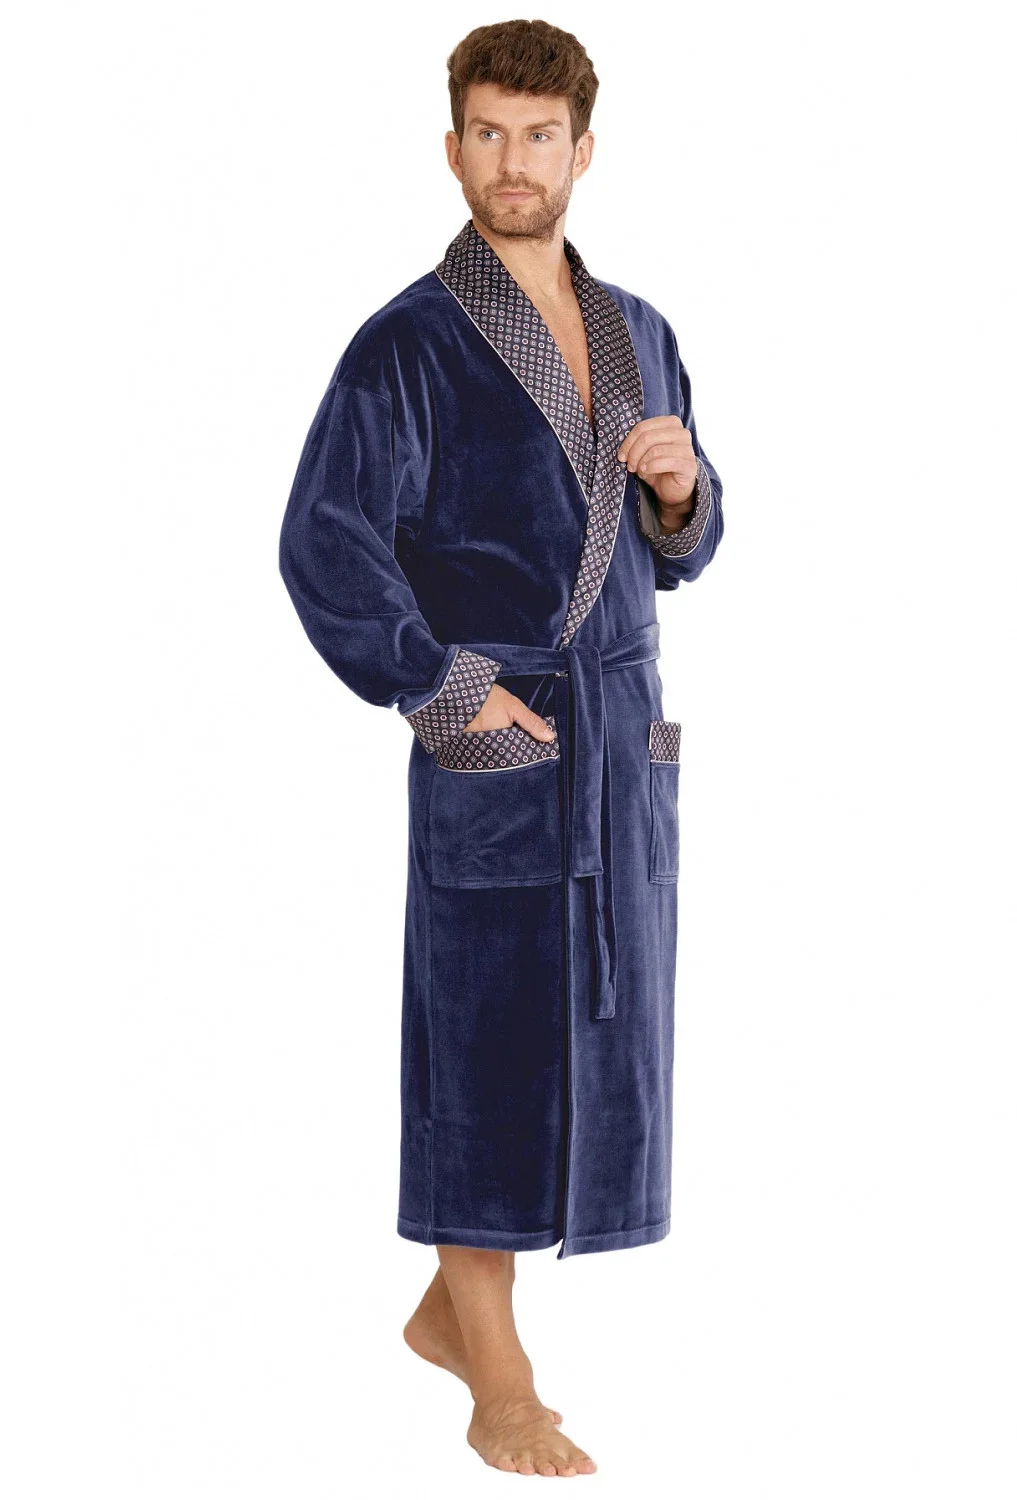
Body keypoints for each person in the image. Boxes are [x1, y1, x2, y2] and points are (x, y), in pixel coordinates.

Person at [278, 18, 724, 1478]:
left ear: (584, 150)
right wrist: (443, 687)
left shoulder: (639, 329)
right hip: (502, 731)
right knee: (480, 1045)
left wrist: (682, 492)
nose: (514, 162)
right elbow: (325, 542)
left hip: (620, 743)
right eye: (489, 133)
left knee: (600, 1037)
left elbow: (685, 545)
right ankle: (501, 1378)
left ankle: (446, 1318)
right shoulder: (406, 344)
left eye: (540, 137)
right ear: (452, 147)